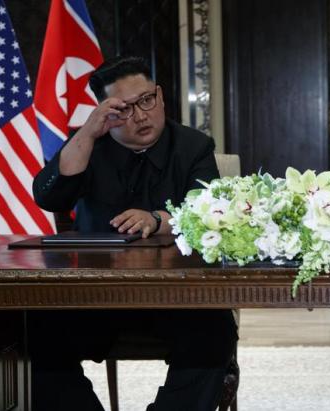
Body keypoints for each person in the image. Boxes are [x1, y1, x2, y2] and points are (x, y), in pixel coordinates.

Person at [31, 56, 237, 411]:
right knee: (34, 334)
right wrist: (86, 132)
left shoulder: (193, 146)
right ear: (103, 112)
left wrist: (158, 219)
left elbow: (208, 211)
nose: (141, 115)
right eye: (123, 109)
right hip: (97, 294)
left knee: (214, 334)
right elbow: (48, 196)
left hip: (177, 296)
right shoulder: (88, 146)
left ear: (159, 95)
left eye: (146, 100)